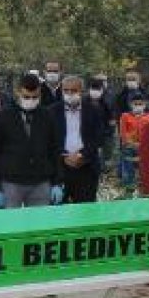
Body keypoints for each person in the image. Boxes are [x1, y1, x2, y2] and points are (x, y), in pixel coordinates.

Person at [0, 74, 59, 208]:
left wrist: (57, 182)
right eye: (26, 97)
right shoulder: (1, 117)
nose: (31, 100)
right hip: (10, 182)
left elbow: (54, 149)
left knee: (40, 225)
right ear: (18, 92)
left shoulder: (48, 116)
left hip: (41, 181)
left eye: (35, 97)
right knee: (10, 226)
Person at [46, 76, 106, 204]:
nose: (69, 94)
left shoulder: (94, 110)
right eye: (66, 91)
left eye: (73, 90)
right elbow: (48, 139)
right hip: (60, 168)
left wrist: (81, 154)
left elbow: (99, 137)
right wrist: (65, 155)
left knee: (86, 213)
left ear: (81, 91)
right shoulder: (51, 111)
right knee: (59, 213)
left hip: (87, 168)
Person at [117, 92, 149, 196]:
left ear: (145, 104)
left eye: (140, 104)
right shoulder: (125, 116)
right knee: (128, 166)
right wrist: (132, 143)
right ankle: (129, 187)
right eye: (135, 104)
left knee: (145, 168)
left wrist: (143, 144)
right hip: (129, 146)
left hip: (145, 147)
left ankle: (145, 187)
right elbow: (123, 133)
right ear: (131, 104)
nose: (138, 106)